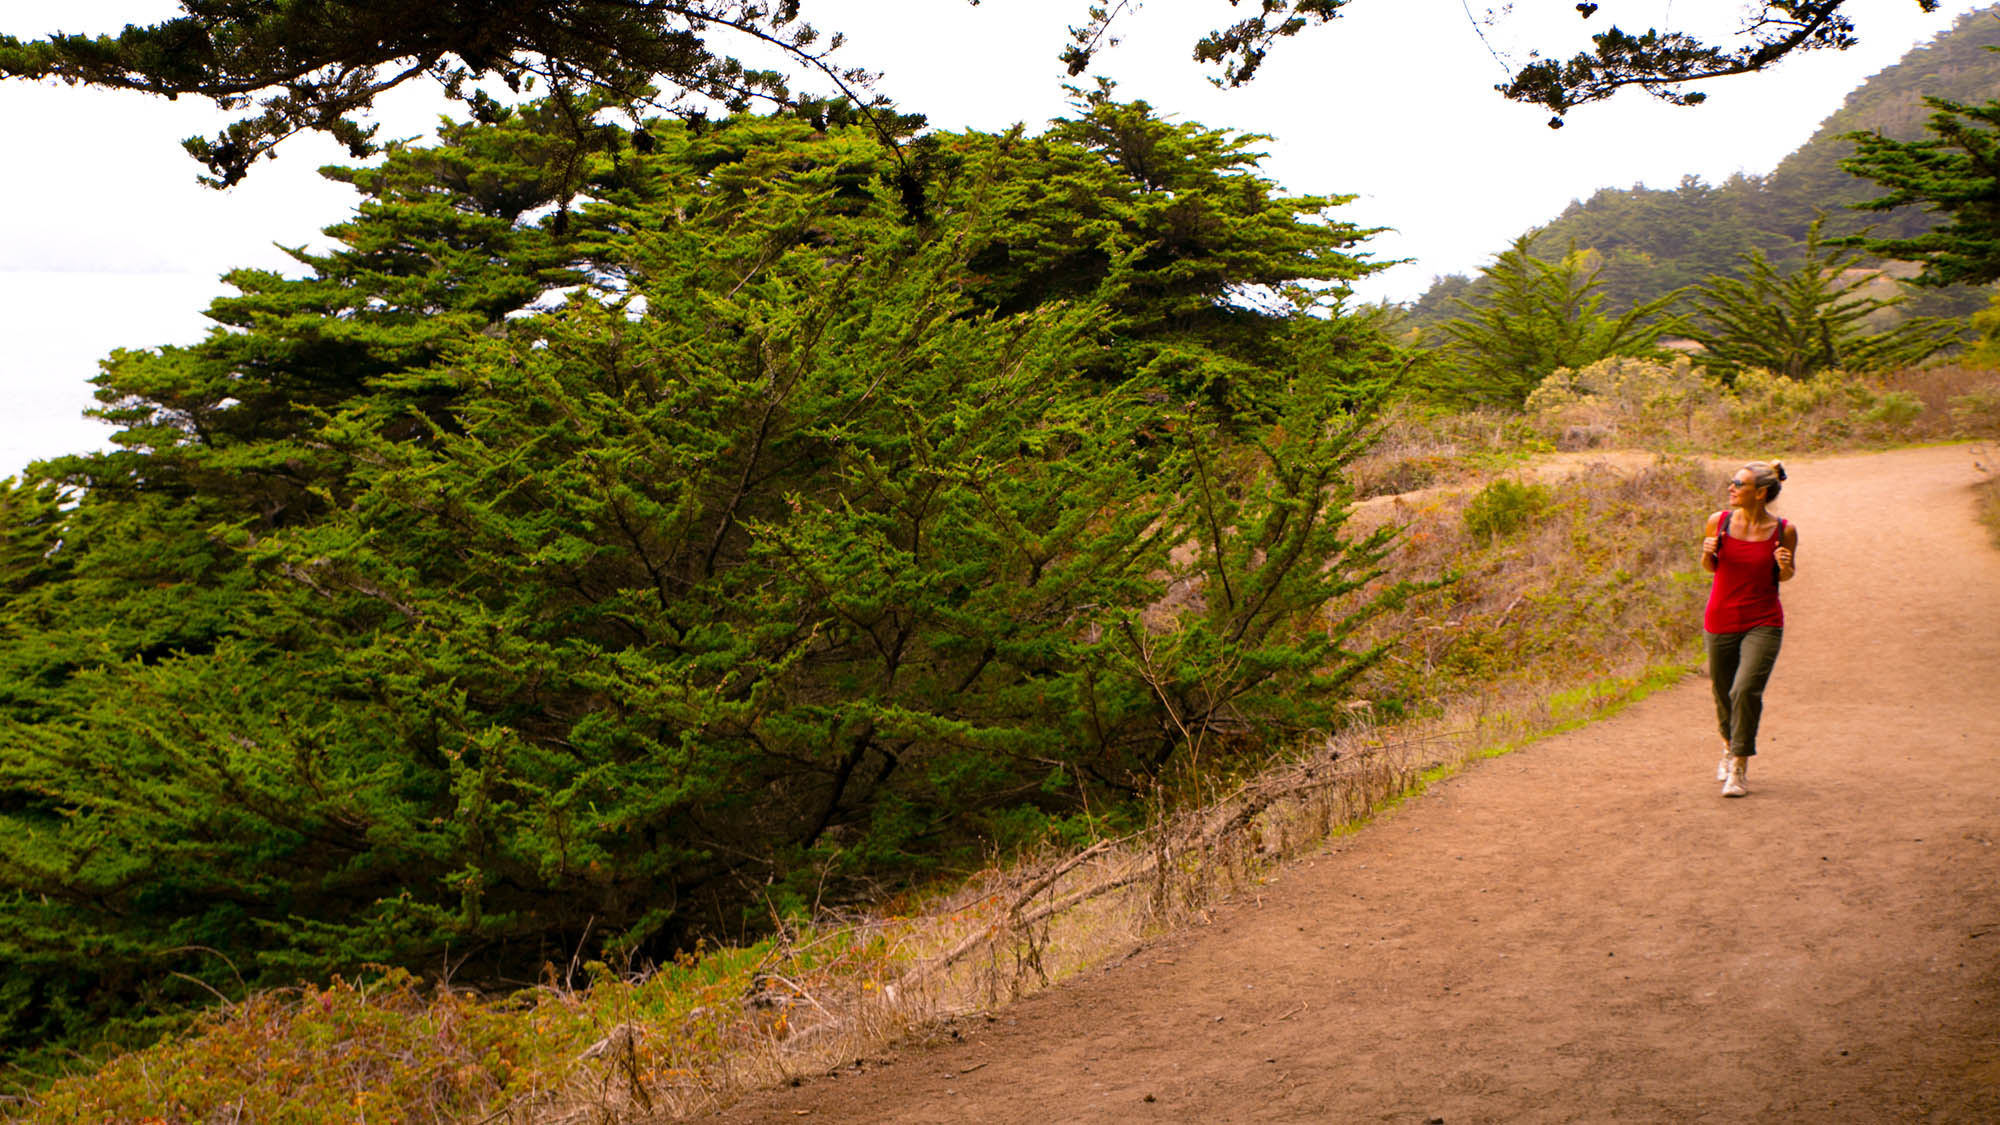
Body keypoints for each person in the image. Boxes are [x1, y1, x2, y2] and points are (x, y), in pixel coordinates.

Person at [1700, 461, 1798, 797]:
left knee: (1745, 690)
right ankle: (1728, 747)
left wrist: (1785, 566)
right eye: (1732, 482)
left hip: (1764, 620)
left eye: (1737, 483)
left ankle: (1738, 768)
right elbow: (1711, 568)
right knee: (1723, 693)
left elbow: (1785, 575)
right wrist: (1707, 553)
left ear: (1760, 493)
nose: (1730, 487)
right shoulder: (1720, 522)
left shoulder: (1784, 529)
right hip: (1721, 618)